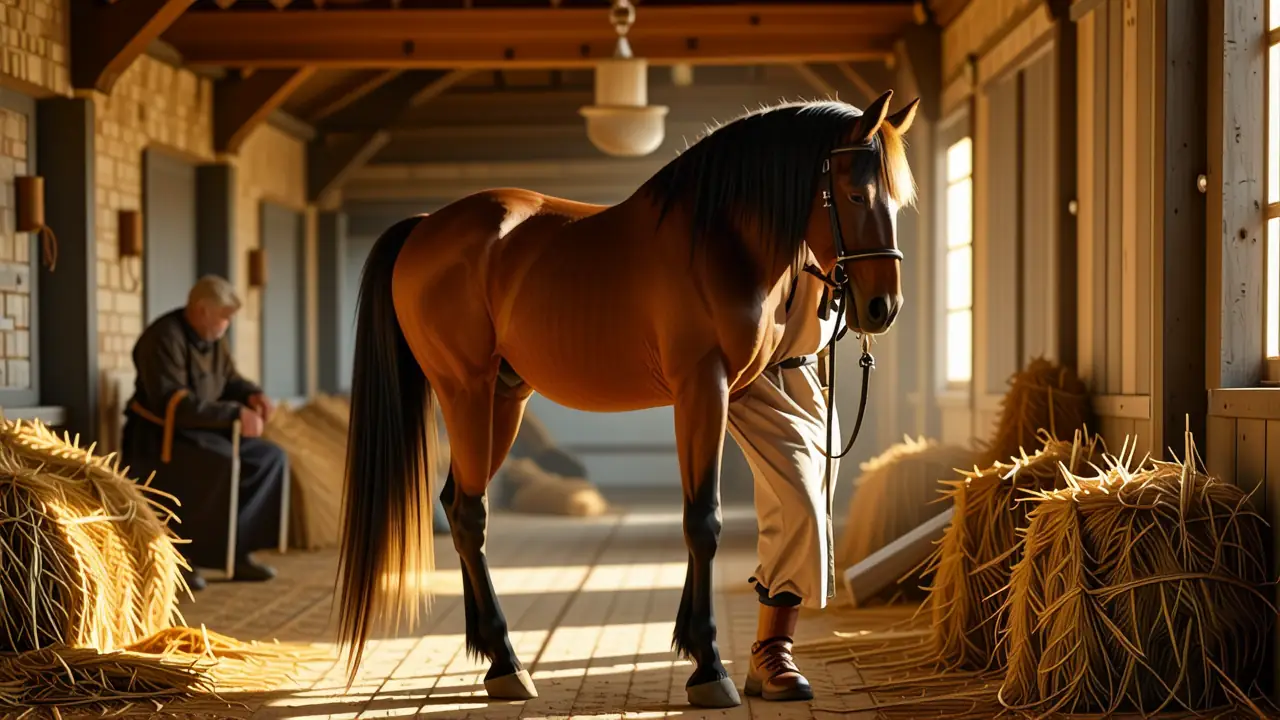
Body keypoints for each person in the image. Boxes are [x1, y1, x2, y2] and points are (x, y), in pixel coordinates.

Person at [121, 275, 287, 591]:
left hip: (205, 430)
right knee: (218, 461)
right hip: (161, 436)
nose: (227, 324)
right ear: (201, 310)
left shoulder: (213, 339)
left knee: (269, 458)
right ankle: (187, 558)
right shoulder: (162, 338)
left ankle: (237, 552)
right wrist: (235, 413)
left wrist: (253, 395)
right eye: (224, 316)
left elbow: (231, 381)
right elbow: (174, 403)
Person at [726, 252, 844, 702]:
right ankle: (773, 649)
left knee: (812, 502)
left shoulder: (831, 229)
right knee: (800, 506)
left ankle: (769, 652)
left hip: (808, 378)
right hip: (752, 379)